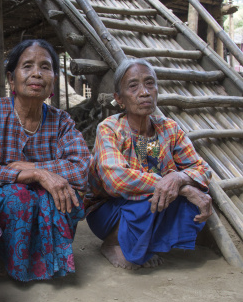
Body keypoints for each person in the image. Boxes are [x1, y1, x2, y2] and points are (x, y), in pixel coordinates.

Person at [0, 39, 91, 282]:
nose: (37, 73)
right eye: (27, 66)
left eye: (45, 67)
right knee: (18, 198)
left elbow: (80, 168)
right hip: (7, 197)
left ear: (53, 80)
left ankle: (47, 262)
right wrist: (38, 176)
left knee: (66, 194)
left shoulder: (61, 120)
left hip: (47, 189)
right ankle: (6, 261)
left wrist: (36, 168)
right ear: (11, 78)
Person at [84, 58, 212, 270]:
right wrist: (182, 188)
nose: (144, 92)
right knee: (153, 199)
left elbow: (203, 169)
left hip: (148, 202)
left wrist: (179, 178)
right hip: (108, 209)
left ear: (157, 91)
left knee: (198, 198)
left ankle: (144, 245)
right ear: (119, 99)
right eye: (133, 86)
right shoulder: (110, 128)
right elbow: (116, 180)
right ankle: (112, 242)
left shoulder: (169, 128)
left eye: (149, 83)